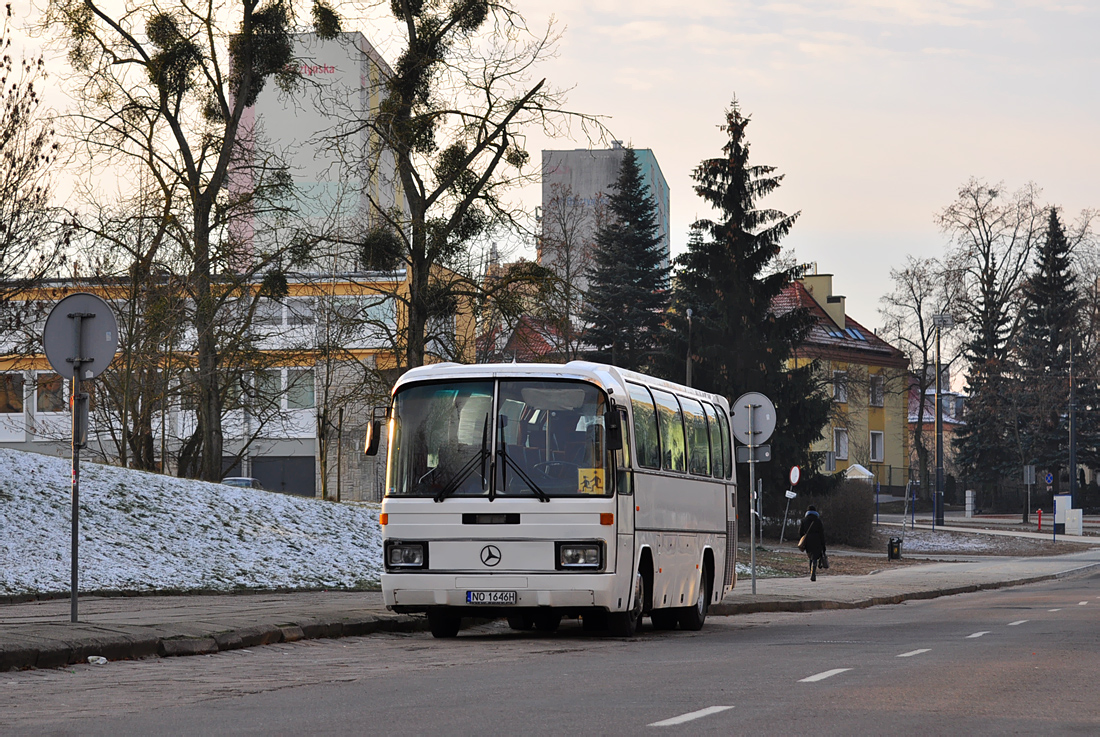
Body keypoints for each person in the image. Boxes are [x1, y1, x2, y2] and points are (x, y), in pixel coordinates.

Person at [798, 505, 827, 581]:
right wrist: (823, 545)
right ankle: (813, 571)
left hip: (808, 540)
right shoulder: (818, 521)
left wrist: (804, 537)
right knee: (815, 557)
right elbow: (822, 533)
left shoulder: (804, 520)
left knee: (810, 556)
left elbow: (800, 532)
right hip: (817, 540)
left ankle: (811, 571)